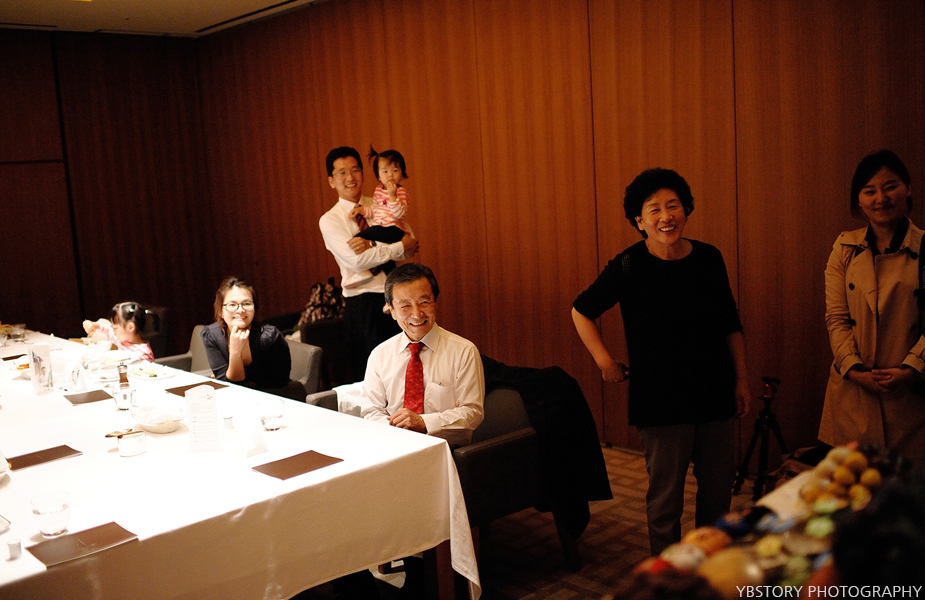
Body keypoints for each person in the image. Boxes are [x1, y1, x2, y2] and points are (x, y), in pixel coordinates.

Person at [571, 168, 749, 555]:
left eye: (673, 206)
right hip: (660, 399)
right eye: (654, 209)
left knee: (718, 494)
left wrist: (741, 381)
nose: (665, 216)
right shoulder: (628, 265)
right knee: (666, 499)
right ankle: (667, 574)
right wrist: (605, 361)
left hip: (714, 390)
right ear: (639, 221)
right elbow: (581, 310)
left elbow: (729, 323)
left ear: (686, 210)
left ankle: (710, 567)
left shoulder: (709, 258)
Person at [820, 149, 925, 466]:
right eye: (870, 191)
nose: (881, 198)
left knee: (905, 491)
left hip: (911, 397)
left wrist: (911, 368)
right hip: (854, 393)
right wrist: (853, 368)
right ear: (859, 200)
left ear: (908, 189)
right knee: (853, 487)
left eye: (890, 186)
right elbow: (836, 318)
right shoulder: (844, 248)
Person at [318, 146, 419, 383]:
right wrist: (393, 246)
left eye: (355, 170)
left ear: (363, 174)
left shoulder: (381, 202)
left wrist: (371, 242)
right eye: (342, 173)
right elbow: (357, 261)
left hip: (396, 297)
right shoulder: (330, 220)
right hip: (363, 305)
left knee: (404, 371)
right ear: (331, 181)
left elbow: (410, 242)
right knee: (372, 379)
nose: (350, 177)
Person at [360, 263, 484, 448]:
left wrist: (424, 422)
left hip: (448, 452)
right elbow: (371, 412)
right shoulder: (380, 355)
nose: (417, 314)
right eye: (405, 306)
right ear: (391, 310)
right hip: (394, 448)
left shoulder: (464, 351)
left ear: (435, 303)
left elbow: (472, 413)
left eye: (424, 303)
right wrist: (398, 431)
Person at [201, 277, 296, 397]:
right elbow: (226, 384)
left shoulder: (270, 337)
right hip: (234, 398)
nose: (240, 310)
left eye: (246, 304)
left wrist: (240, 380)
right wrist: (235, 353)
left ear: (254, 308)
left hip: (274, 397)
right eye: (232, 305)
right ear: (220, 311)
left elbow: (281, 379)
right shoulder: (211, 335)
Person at [342, 146, 414, 289]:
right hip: (381, 227)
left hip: (392, 229)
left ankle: (362, 271)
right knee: (388, 264)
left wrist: (392, 196)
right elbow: (375, 210)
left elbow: (399, 214)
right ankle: (394, 286)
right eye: (385, 171)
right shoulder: (378, 191)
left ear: (402, 174)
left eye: (395, 170)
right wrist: (362, 210)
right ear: (379, 177)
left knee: (359, 237)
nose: (390, 175)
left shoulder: (401, 192)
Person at [83, 301, 159, 362]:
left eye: (115, 328)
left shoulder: (143, 354)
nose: (113, 331)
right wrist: (94, 325)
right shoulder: (122, 341)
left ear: (130, 327)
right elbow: (107, 330)